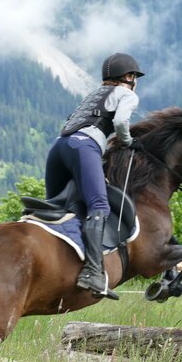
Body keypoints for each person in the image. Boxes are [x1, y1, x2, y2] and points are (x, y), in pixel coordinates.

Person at [45, 52, 144, 300]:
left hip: (58, 147)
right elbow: (121, 122)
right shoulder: (127, 94)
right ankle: (92, 272)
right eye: (134, 76)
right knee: (98, 205)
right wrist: (128, 141)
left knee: (55, 207)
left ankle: (51, 263)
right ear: (129, 77)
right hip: (84, 147)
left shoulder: (94, 95)